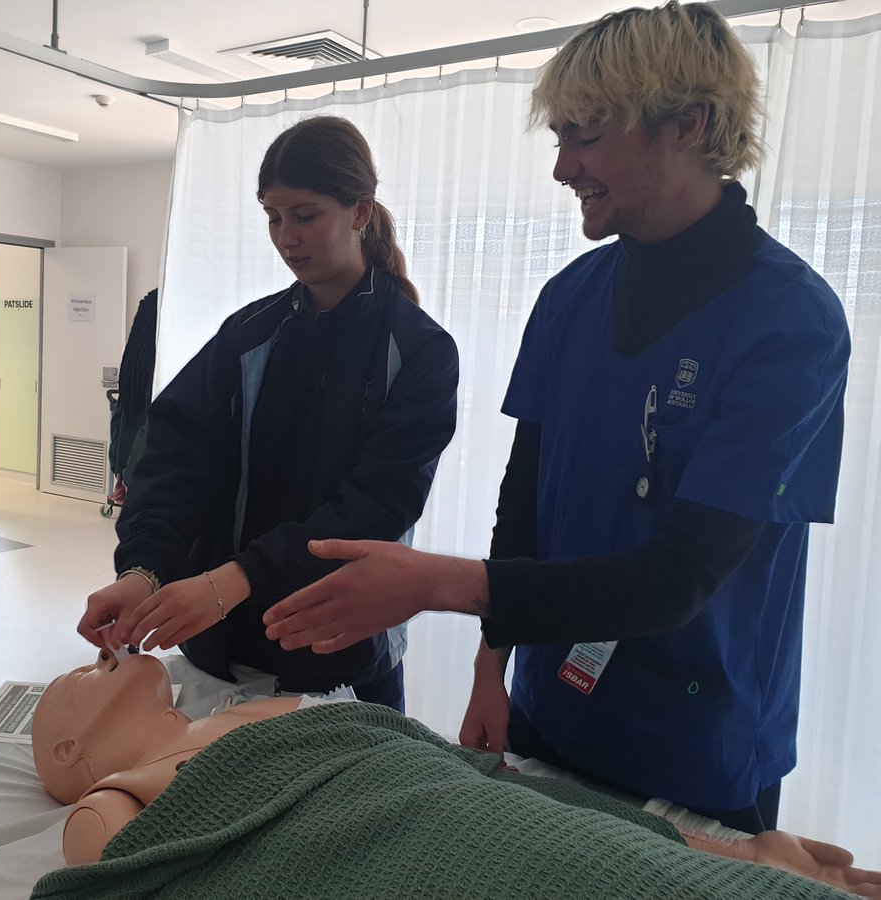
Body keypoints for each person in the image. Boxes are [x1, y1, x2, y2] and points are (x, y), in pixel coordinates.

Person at [263, 1, 851, 835]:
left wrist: (433, 582)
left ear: (690, 125)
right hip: (552, 709)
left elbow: (679, 578)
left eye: (587, 135)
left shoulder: (792, 322)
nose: (563, 167)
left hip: (698, 748)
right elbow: (523, 506)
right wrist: (490, 668)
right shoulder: (571, 298)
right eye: (559, 139)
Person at [78, 116, 459, 711]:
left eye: (305, 216)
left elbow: (374, 508)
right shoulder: (248, 334)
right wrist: (143, 571)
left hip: (345, 653)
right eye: (272, 218)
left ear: (360, 212)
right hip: (226, 649)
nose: (286, 237)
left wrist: (236, 579)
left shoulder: (420, 350)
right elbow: (177, 461)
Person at [29, 654, 880, 899]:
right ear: (68, 755)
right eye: (84, 677)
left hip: (456, 798)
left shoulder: (255, 710)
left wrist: (712, 845)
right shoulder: (108, 807)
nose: (102, 657)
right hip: (424, 846)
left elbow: (456, 766)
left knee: (622, 851)